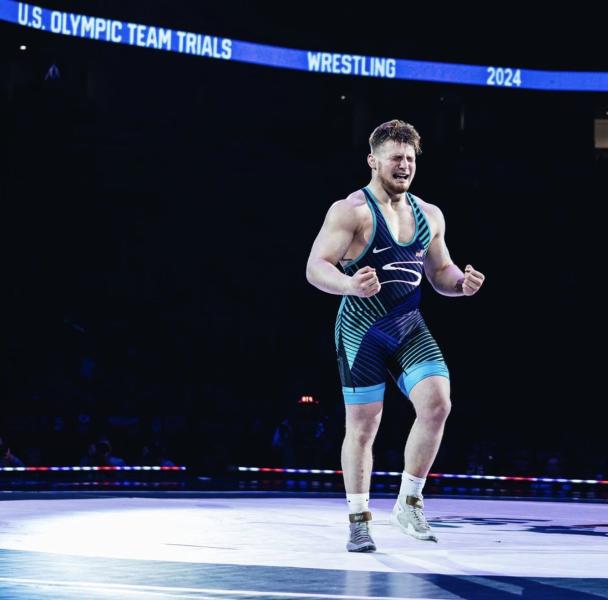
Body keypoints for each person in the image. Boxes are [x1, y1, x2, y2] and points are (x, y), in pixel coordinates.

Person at [306, 119, 485, 552]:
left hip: (408, 325)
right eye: (395, 158)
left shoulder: (430, 215)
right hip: (361, 330)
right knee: (363, 427)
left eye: (409, 158)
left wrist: (460, 284)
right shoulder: (350, 211)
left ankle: (409, 502)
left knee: (438, 403)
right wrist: (349, 284)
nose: (404, 165)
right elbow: (316, 267)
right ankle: (358, 520)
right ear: (373, 161)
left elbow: (440, 272)